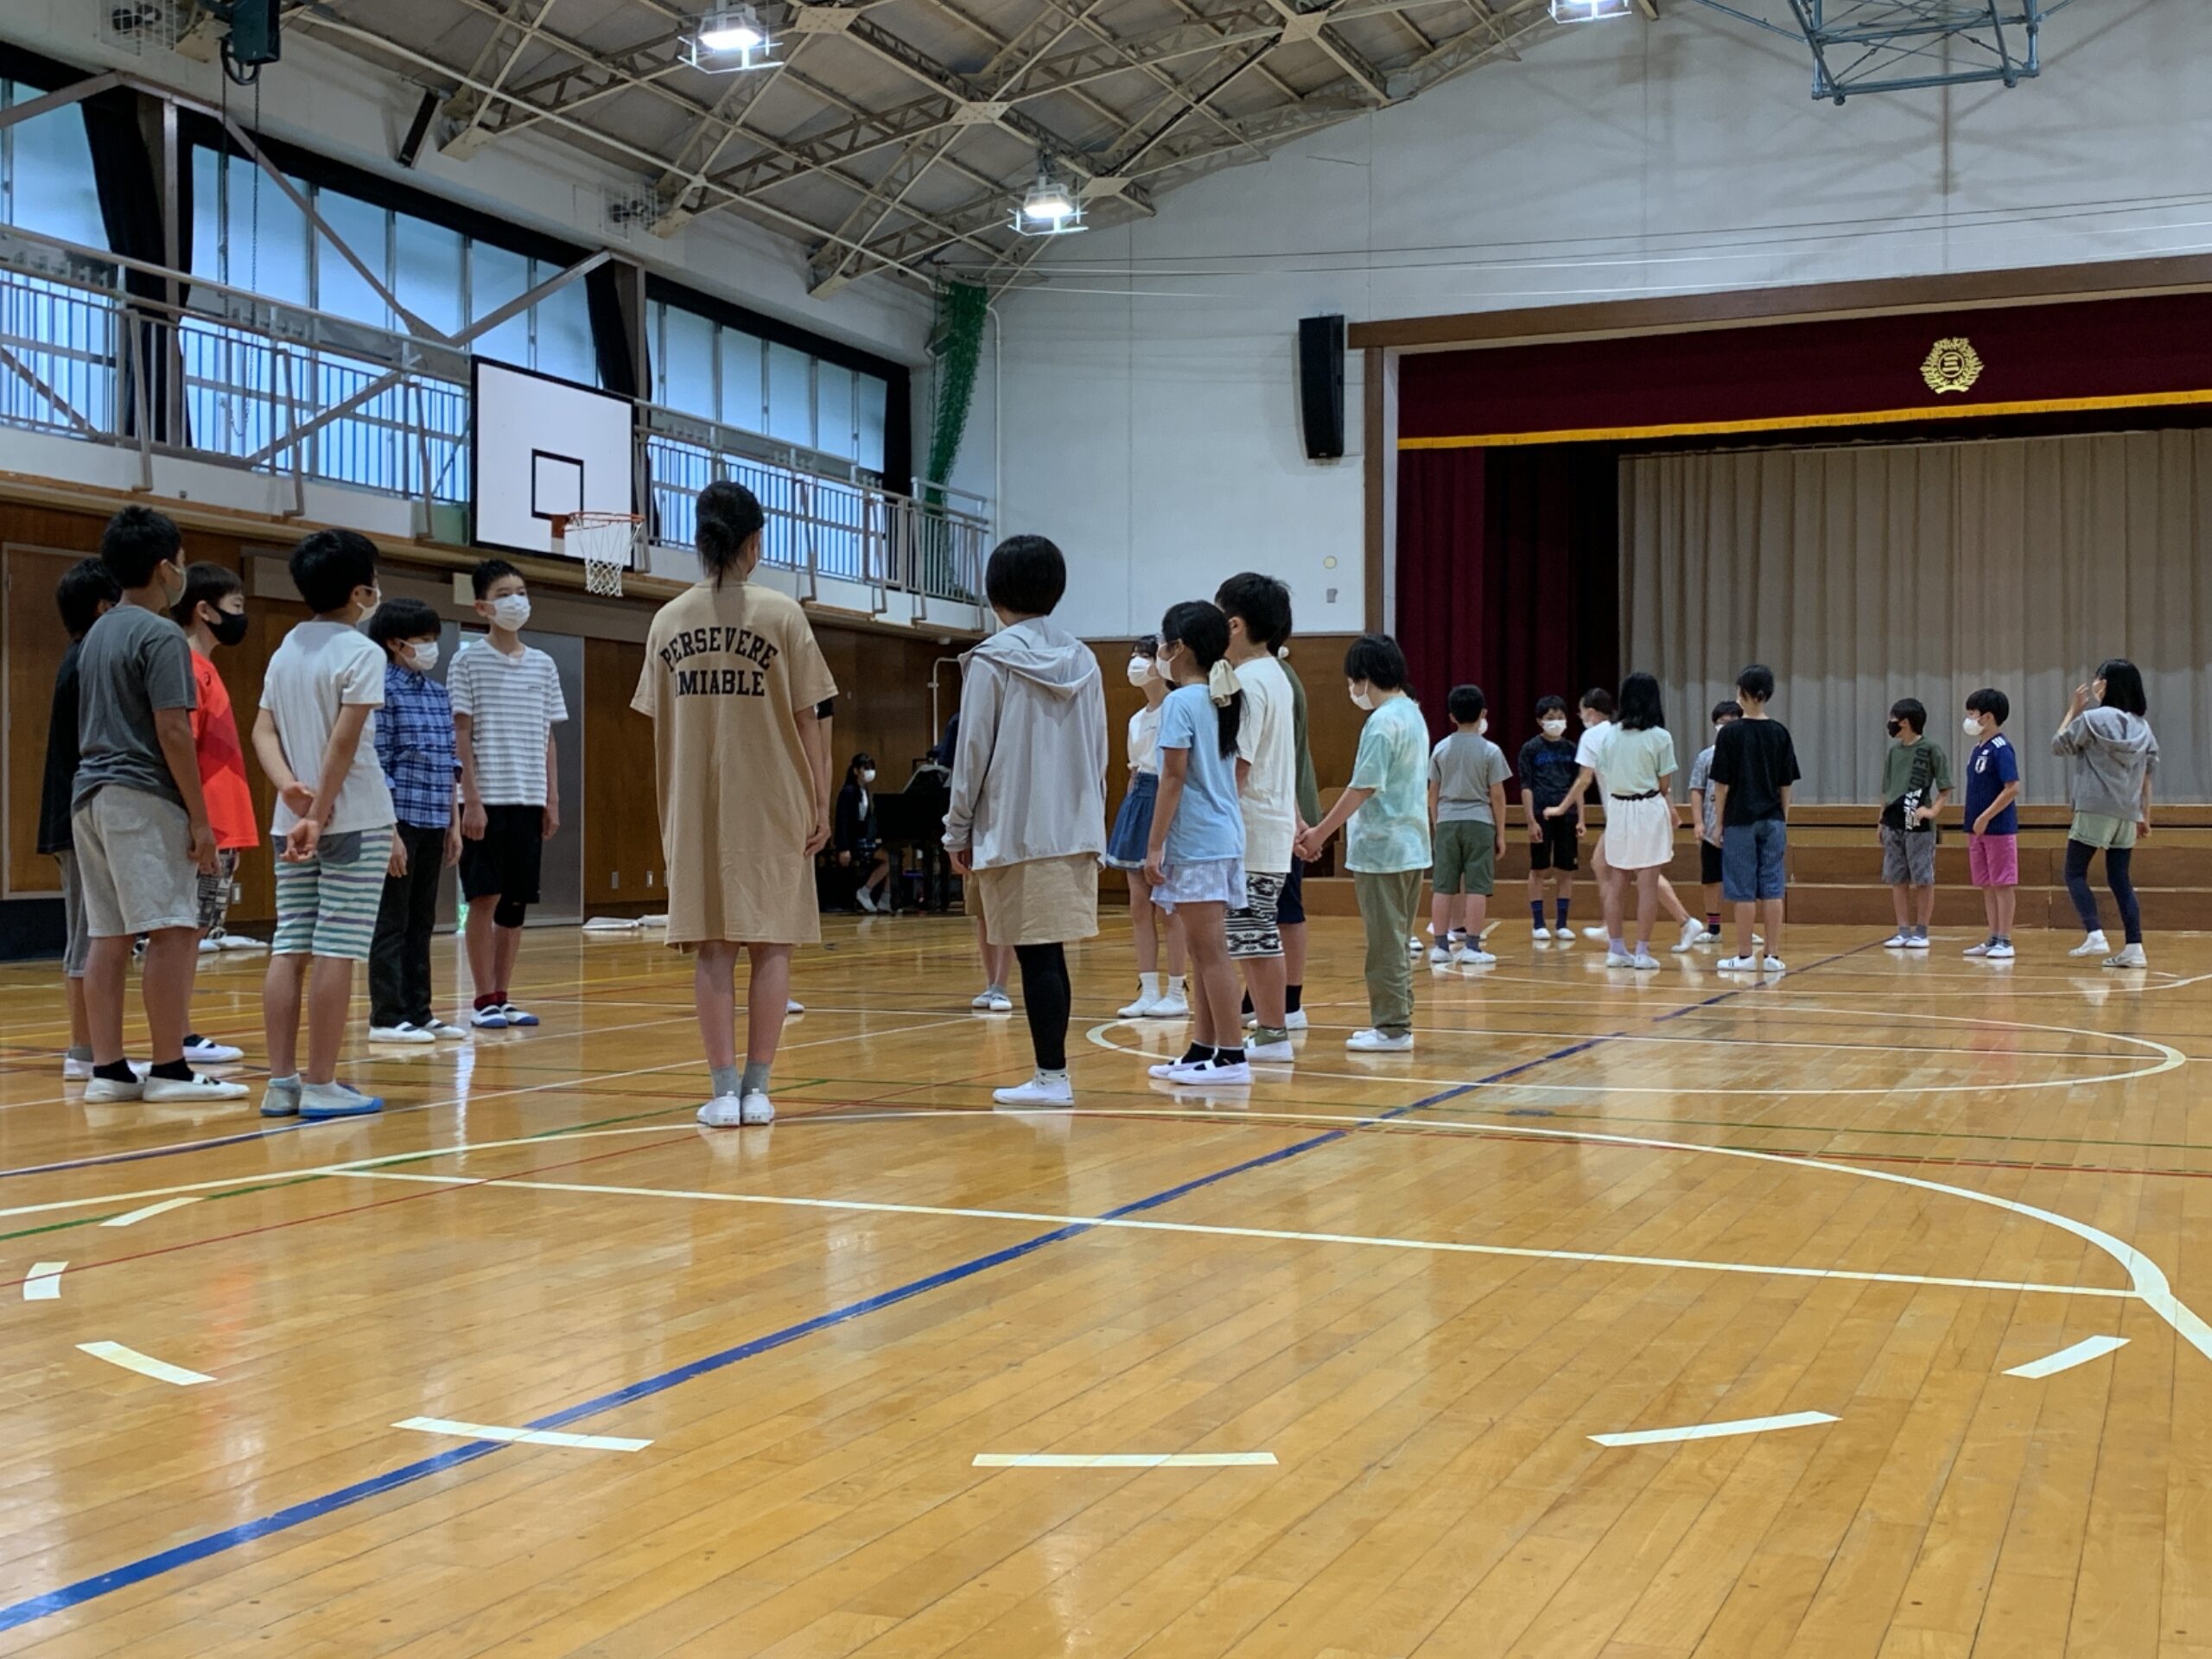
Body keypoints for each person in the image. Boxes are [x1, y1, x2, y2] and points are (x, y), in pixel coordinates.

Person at [633, 481, 835, 1126]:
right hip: (776, 798)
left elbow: (656, 716)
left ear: (700, 540)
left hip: (696, 804)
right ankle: (759, 1091)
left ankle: (722, 1093)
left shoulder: (667, 621)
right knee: (771, 945)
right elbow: (810, 718)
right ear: (755, 541)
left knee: (712, 949)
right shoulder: (783, 614)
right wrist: (821, 800)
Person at [72, 508, 248, 1105]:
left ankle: (108, 1071)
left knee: (109, 935)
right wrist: (200, 819)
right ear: (164, 567)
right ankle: (171, 1068)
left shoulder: (99, 631)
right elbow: (173, 730)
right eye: (180, 560)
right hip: (142, 796)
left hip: (90, 796)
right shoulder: (162, 634)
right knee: (173, 930)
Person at [944, 535, 1108, 1108]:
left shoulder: (992, 660)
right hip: (1074, 827)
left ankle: (1051, 1077)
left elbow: (972, 753)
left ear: (994, 593)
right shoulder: (1084, 659)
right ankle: (1050, 1075)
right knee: (1048, 953)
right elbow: (1099, 751)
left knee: (1037, 956)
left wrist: (956, 828)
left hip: (1015, 829)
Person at [251, 529, 393, 1120]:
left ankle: (281, 1082)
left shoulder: (287, 647)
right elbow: (344, 740)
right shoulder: (362, 652)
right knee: (338, 948)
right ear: (361, 591)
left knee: (289, 944)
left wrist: (289, 788)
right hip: (352, 817)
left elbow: (262, 730)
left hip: (289, 821)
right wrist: (319, 811)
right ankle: (322, 1082)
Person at [1297, 636, 1429, 1053]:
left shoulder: (1383, 722)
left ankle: (1392, 1027)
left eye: (1353, 680)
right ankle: (1397, 1018)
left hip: (1383, 849)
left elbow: (1363, 787)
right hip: (1411, 845)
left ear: (1365, 678)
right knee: (1397, 938)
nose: (1352, 689)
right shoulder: (1412, 713)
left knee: (1386, 942)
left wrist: (1320, 832)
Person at [451, 557, 567, 1030]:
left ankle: (503, 995)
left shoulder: (544, 664)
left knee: (515, 903)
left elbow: (548, 735)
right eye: (504, 594)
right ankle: (482, 999)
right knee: (484, 897)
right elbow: (460, 733)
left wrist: (551, 798)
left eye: (520, 592)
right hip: (486, 799)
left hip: (528, 797)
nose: (515, 601)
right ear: (483, 606)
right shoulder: (467, 661)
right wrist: (471, 799)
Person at [1143, 601, 1251, 1086]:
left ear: (1179, 647)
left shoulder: (1181, 702)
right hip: (1219, 836)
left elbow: (1172, 776)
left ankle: (1232, 1056)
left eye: (1163, 644)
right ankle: (1204, 1047)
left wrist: (1154, 846)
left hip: (1199, 841)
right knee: (1203, 952)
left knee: (1211, 953)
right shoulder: (1219, 698)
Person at [168, 562, 257, 1067]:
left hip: (221, 824)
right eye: (236, 606)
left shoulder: (208, 666)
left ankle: (180, 1032)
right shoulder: (185, 665)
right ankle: (178, 1034)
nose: (242, 615)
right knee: (186, 930)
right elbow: (182, 745)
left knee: (197, 929)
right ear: (204, 610)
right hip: (205, 825)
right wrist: (200, 824)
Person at [365, 597, 465, 1042]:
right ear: (395, 642)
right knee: (392, 920)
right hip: (398, 820)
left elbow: (449, 762)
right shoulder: (381, 690)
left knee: (423, 920)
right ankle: (387, 1016)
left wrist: (453, 824)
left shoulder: (438, 693)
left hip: (434, 819)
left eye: (432, 639)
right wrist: (389, 833)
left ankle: (420, 1010)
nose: (430, 647)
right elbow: (379, 762)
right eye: (422, 639)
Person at [41, 558, 119, 1081]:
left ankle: (90, 1047)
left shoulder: (81, 658)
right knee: (87, 935)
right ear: (103, 607)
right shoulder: (87, 662)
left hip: (78, 814)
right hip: (80, 817)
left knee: (93, 931)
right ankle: (83, 1049)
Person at [1217, 574, 1298, 1065]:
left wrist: (1213, 821)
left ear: (1234, 624)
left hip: (1251, 828)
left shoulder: (1249, 681)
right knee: (1252, 932)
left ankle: (1272, 1032)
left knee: (1254, 933)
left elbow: (1239, 764)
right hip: (1267, 825)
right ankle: (1271, 1030)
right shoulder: (1275, 675)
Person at [1554, 673, 1679, 968]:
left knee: (1616, 882)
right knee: (1647, 884)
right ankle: (1643, 952)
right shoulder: (1660, 737)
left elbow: (1605, 773)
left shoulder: (1609, 736)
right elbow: (1664, 785)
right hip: (1648, 808)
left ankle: (1616, 949)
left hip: (1618, 809)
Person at [1103, 635, 1189, 1020]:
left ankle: (1176, 989)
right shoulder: (1136, 720)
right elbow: (1134, 770)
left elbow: (1177, 772)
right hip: (1138, 800)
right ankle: (1148, 989)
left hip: (1167, 799)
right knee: (1139, 904)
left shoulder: (1178, 708)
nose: (1136, 663)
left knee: (1169, 905)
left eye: (1145, 656)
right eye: (1134, 656)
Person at [2054, 659, 2158, 969]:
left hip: (2094, 806)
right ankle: (2134, 947)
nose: (2094, 683)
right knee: (2120, 879)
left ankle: (2095, 933)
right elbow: (2147, 774)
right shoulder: (2142, 727)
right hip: (2127, 811)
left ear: (2107, 684)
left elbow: (2059, 745)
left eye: (2097, 678)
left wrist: (2073, 710)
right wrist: (2144, 815)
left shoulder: (2092, 719)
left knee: (2074, 872)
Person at [1710, 664, 1799, 975]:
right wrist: (1782, 818)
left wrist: (1719, 823)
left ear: (1743, 692)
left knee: (1742, 889)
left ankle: (1745, 955)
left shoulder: (1730, 734)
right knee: (1773, 886)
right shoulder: (1779, 732)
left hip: (1739, 819)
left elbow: (1721, 785)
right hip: (1773, 819)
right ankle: (1772, 956)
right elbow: (1786, 783)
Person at [1428, 683, 1510, 968]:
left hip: (1447, 821)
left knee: (1443, 886)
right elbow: (1497, 795)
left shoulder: (1440, 748)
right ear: (1483, 713)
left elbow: (1433, 793)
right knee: (1477, 886)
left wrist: (1437, 824)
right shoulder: (1491, 751)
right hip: (1479, 822)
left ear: (1452, 716)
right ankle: (1472, 947)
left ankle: (1440, 946)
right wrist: (1500, 833)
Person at [1879, 697, 1949, 950]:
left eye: (1893, 719)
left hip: (1916, 816)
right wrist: (1881, 821)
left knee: (1922, 877)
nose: (1890, 724)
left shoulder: (1931, 749)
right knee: (1897, 877)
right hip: (1893, 817)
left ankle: (1921, 931)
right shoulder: (1893, 752)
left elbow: (1945, 787)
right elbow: (1886, 789)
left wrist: (1932, 811)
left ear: (1905, 722)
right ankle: (1902, 930)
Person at [1962, 688, 2023, 962]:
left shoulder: (2001, 748)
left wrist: (1986, 816)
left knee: (2002, 884)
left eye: (1972, 713)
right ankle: (1994, 937)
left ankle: (2006, 939)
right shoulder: (1978, 749)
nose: (1969, 719)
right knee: (1987, 885)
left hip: (1997, 829)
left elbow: (2012, 788)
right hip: (1977, 830)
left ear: (1987, 717)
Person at [1519, 695, 1581, 944]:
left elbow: (1579, 785)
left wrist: (1581, 818)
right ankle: (1538, 923)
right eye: (1550, 718)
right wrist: (1530, 821)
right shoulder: (1531, 749)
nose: (1556, 722)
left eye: (1560, 717)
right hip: (1540, 814)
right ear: (1540, 721)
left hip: (1568, 816)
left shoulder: (1571, 749)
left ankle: (1562, 924)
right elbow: (1526, 787)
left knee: (1566, 870)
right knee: (1539, 868)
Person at [1688, 700, 1741, 941]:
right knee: (1711, 878)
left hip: (1739, 826)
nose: (1726, 728)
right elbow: (1696, 790)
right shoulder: (1706, 757)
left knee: (1742, 879)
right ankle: (1714, 928)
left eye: (1732, 723)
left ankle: (1745, 927)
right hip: (1711, 829)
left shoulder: (1746, 756)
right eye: (1722, 723)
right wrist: (1698, 822)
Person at [835, 753, 893, 913]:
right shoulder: (848, 792)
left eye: (871, 768)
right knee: (889, 859)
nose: (870, 771)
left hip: (865, 838)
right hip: (853, 841)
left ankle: (885, 899)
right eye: (866, 768)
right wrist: (843, 848)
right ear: (856, 770)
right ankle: (865, 891)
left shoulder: (865, 791)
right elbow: (842, 821)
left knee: (894, 857)